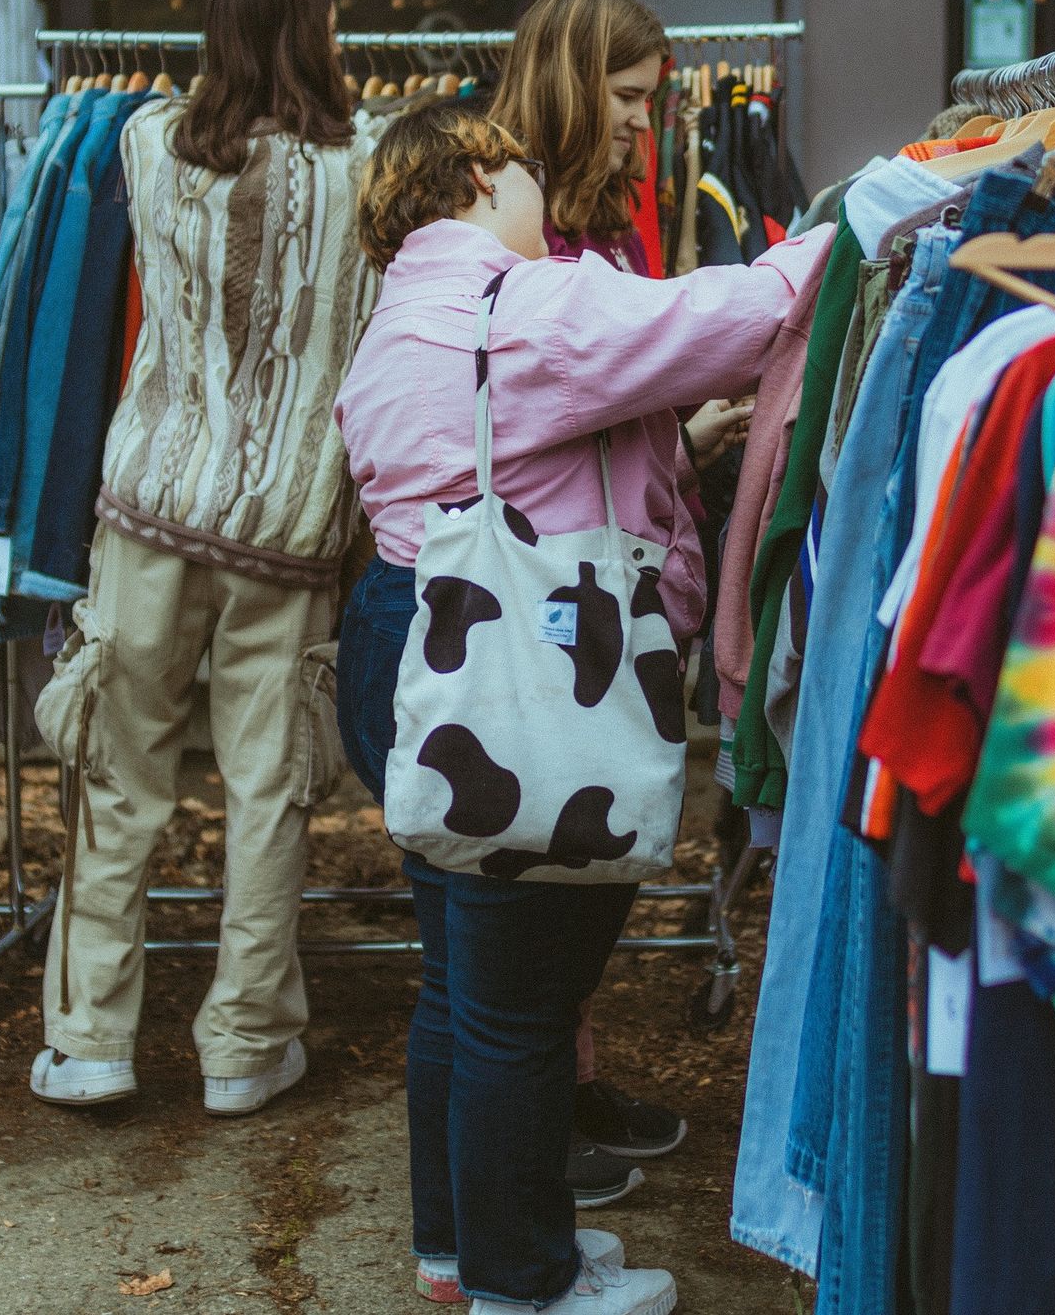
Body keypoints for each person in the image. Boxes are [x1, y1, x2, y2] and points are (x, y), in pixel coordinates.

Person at [334, 100, 831, 1314]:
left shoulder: (397, 315)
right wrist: (865, 219)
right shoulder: (530, 302)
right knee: (524, 1000)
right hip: (518, 667)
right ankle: (524, 1281)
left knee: (461, 986)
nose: (544, 197)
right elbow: (745, 313)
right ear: (474, 174)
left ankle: (464, 1252)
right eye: (521, 172)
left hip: (409, 641)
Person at [30, 0, 382, 1115]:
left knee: (116, 772)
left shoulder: (143, 145)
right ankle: (242, 1045)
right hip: (286, 527)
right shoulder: (368, 167)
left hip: (150, 512)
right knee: (266, 785)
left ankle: (91, 1039)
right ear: (316, 37)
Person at [487, 0, 752, 1189]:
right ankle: (538, 1124)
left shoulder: (596, 212)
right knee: (548, 879)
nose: (651, 122)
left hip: (615, 571)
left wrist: (684, 442)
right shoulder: (511, 219)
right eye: (633, 97)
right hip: (544, 587)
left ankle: (567, 1087)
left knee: (580, 872)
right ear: (575, 84)